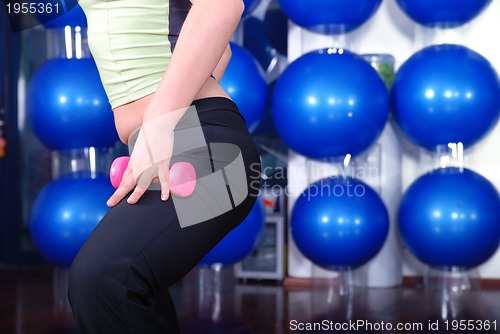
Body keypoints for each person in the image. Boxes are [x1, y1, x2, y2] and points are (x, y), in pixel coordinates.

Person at [67, 0, 261, 332]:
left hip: (211, 148)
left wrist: (159, 122)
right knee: (123, 288)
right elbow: (221, 50)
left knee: (104, 278)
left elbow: (223, 6)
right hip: (181, 139)